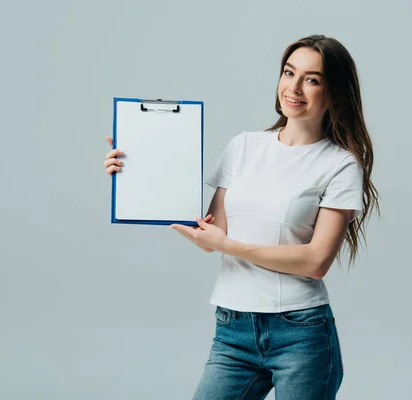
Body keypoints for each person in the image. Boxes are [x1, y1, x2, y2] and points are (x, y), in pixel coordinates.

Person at [103, 34, 379, 400]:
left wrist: (229, 246)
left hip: (301, 333)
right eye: (288, 72)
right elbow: (210, 232)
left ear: (333, 93)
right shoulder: (245, 145)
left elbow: (315, 262)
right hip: (233, 328)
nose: (293, 87)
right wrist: (137, 171)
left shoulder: (340, 165)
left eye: (312, 79)